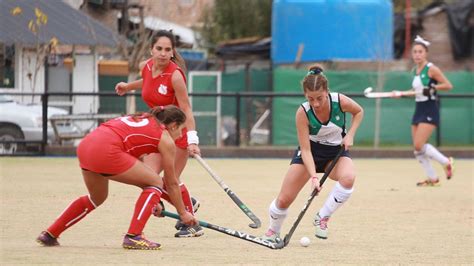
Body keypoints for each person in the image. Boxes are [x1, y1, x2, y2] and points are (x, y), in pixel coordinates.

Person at [36, 106, 198, 250]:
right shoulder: (165, 139)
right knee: (156, 182)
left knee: (97, 197)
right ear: (174, 125)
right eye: (181, 130)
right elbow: (170, 183)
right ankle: (134, 236)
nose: (181, 134)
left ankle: (51, 234)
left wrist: (153, 200)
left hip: (86, 146)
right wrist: (183, 213)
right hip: (107, 150)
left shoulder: (144, 119)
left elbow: (140, 170)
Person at [114, 30, 203, 237]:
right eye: (159, 49)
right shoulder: (145, 67)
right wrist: (128, 87)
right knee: (148, 177)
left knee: (172, 180)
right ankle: (187, 202)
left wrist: (192, 139)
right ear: (151, 49)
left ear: (173, 52)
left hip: (176, 134)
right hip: (155, 133)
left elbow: (186, 109)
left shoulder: (175, 76)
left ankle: (190, 222)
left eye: (167, 50)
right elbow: (147, 82)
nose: (163, 54)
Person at [262, 65, 364, 242]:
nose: (315, 104)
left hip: (335, 152)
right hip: (311, 152)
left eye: (320, 98)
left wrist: (350, 135)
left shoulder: (340, 101)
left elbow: (359, 111)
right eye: (311, 99)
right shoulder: (302, 113)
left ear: (327, 91)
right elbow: (306, 149)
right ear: (305, 95)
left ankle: (322, 216)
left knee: (349, 178)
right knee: (285, 199)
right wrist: (314, 178)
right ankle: (273, 231)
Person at [393, 35, 454, 186]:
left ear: (425, 53)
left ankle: (446, 162)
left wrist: (433, 87)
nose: (417, 55)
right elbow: (415, 91)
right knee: (417, 149)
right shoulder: (415, 70)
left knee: (419, 145)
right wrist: (401, 94)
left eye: (420, 51)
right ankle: (433, 179)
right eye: (415, 52)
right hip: (419, 108)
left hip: (430, 108)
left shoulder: (432, 69)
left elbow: (448, 85)